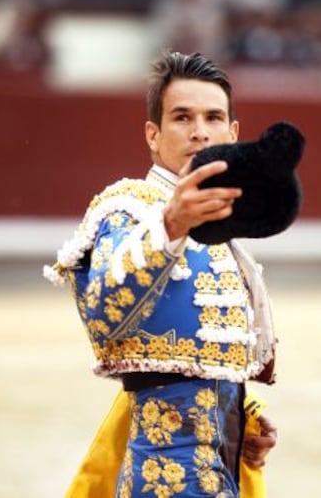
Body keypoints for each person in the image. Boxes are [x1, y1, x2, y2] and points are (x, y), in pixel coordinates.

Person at [44, 50, 278, 498]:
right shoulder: (127, 209)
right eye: (181, 117)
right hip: (161, 479)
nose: (199, 131)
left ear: (232, 133)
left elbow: (194, 360)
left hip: (222, 471)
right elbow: (104, 314)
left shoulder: (224, 235)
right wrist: (171, 224)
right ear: (153, 134)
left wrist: (241, 419)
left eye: (213, 118)